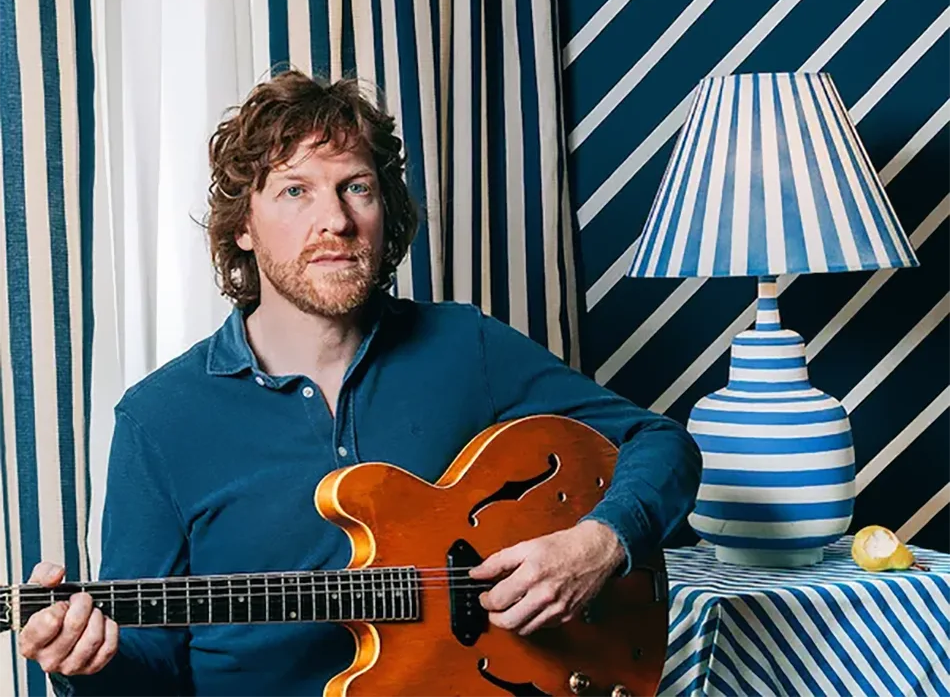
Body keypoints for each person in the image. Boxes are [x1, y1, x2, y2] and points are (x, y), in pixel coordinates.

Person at [19, 70, 701, 696]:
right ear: (244, 227)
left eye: (357, 187)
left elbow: (662, 443)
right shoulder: (158, 420)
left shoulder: (466, 347)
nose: (336, 221)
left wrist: (600, 543)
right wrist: (88, 662)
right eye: (295, 191)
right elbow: (151, 672)